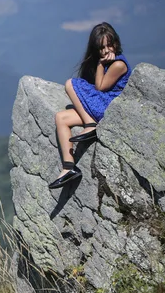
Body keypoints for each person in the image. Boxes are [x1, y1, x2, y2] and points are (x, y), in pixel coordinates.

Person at [48, 22, 131, 189]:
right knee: (61, 118)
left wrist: (100, 64)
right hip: (101, 107)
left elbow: (101, 87)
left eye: (109, 45)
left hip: (110, 108)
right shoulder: (110, 63)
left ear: (116, 43)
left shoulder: (118, 64)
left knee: (71, 84)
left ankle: (90, 125)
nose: (107, 50)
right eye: (102, 48)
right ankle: (69, 167)